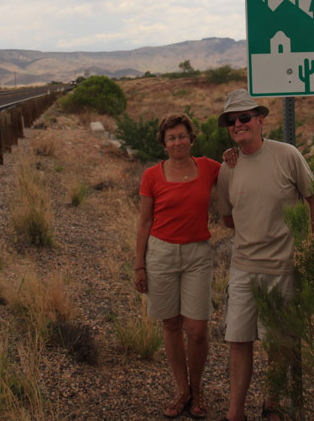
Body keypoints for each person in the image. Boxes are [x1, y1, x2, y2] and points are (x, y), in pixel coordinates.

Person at [216, 89, 314, 421]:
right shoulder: (227, 167)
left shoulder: (287, 155)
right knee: (238, 340)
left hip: (284, 267)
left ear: (260, 120)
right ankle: (235, 412)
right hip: (243, 268)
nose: (238, 124)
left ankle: (272, 403)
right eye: (231, 120)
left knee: (277, 343)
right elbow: (229, 218)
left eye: (244, 117)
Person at [134, 113, 223, 419]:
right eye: (171, 137)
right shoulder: (152, 175)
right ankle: (182, 389)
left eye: (182, 135)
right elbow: (144, 221)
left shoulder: (209, 167)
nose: (177, 142)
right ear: (163, 142)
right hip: (161, 254)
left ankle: (198, 388)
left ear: (191, 138)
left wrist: (234, 155)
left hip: (198, 255)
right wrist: (139, 266)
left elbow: (237, 175)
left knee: (198, 329)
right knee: (171, 324)